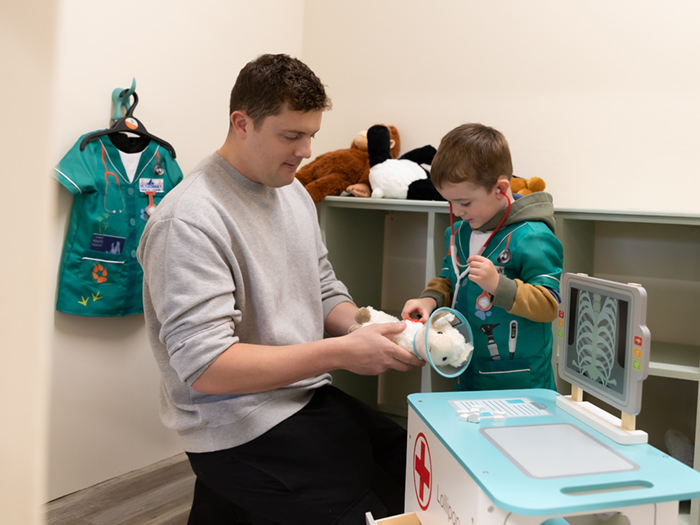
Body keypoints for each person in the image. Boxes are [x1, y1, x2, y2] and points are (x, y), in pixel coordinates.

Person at [137, 53, 424, 525]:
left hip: (300, 394)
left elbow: (325, 289)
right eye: (291, 136)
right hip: (234, 424)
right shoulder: (189, 221)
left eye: (311, 135)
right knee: (379, 509)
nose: (306, 151)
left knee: (410, 466)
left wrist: (373, 327)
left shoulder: (290, 192)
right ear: (241, 123)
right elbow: (207, 368)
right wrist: (342, 353)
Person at [402, 123, 563, 391]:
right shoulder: (459, 233)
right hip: (468, 372)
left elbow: (549, 305)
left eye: (465, 203)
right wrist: (429, 299)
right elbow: (450, 277)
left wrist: (499, 286)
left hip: (520, 382)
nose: (458, 211)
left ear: (501, 189)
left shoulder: (532, 237)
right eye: (450, 202)